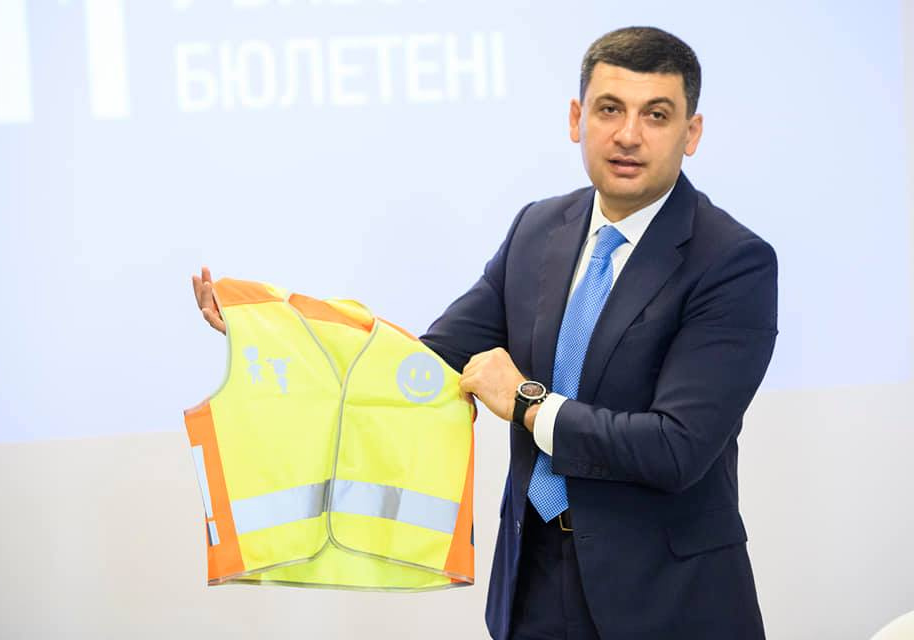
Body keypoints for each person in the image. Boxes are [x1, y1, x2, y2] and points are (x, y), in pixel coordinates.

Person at [193, 26, 777, 640]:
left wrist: (527, 403)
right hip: (533, 583)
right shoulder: (538, 229)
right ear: (576, 118)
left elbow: (675, 449)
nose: (628, 134)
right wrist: (273, 329)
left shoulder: (731, 261)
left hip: (668, 602)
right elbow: (427, 361)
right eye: (609, 109)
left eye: (656, 115)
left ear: (692, 133)